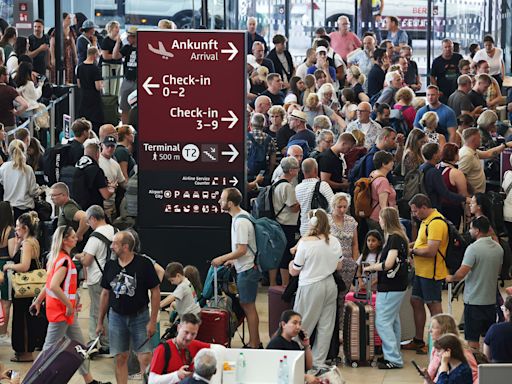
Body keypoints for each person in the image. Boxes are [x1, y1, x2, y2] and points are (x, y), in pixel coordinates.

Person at [31, 225, 109, 384]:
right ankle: (32, 379)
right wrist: (68, 305)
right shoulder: (65, 261)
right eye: (73, 237)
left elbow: (49, 284)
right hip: (61, 313)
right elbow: (53, 285)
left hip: (65, 313)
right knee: (48, 349)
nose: (76, 239)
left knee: (79, 347)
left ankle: (89, 380)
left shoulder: (56, 258)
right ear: (65, 240)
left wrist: (38, 301)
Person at [96, 231, 161, 384]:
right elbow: (105, 293)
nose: (111, 247)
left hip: (140, 316)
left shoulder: (144, 264)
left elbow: (155, 291)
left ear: (125, 247)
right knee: (120, 357)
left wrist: (152, 321)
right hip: (116, 317)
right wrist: (100, 322)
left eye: (114, 244)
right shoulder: (110, 265)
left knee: (145, 357)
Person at [289, 209, 342, 366]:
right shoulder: (334, 240)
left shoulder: (305, 243)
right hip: (330, 284)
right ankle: (318, 363)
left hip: (310, 285)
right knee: (326, 326)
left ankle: (296, 359)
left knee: (302, 324)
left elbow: (294, 271)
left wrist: (291, 264)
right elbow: (339, 266)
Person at [211, 188, 262, 349]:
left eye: (222, 199)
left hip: (247, 270)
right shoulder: (242, 217)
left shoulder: (240, 222)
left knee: (248, 306)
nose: (219, 201)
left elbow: (242, 249)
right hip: (245, 266)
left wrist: (222, 258)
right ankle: (255, 341)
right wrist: (232, 262)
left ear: (230, 203)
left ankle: (255, 343)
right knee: (247, 306)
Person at [446, 216, 503, 350]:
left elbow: (462, 272)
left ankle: (475, 364)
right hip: (490, 300)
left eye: (471, 228)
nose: (470, 231)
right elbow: (498, 270)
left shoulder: (473, 249)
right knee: (487, 337)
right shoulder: (498, 248)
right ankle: (486, 364)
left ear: (477, 230)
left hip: (474, 301)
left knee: (472, 338)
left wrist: (451, 278)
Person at [363, 207, 409, 369]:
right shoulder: (399, 237)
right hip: (397, 285)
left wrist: (371, 268)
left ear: (386, 221)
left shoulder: (394, 238)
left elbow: (389, 264)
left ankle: (394, 358)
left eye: (381, 219)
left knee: (382, 321)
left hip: (390, 286)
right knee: (393, 321)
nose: (379, 222)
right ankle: (393, 353)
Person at [405, 194, 450, 354]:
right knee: (416, 301)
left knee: (434, 306)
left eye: (416, 211)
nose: (414, 214)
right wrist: (409, 245)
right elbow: (422, 242)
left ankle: (442, 343)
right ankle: (418, 340)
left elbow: (431, 251)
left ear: (424, 207)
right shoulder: (426, 221)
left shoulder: (436, 222)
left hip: (431, 273)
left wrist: (413, 251)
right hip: (421, 272)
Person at [2, 212, 46, 362]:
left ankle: (26, 352)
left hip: (24, 288)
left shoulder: (28, 243)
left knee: (23, 320)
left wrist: (9, 266)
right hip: (25, 288)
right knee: (23, 318)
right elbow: (15, 255)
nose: (16, 230)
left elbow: (24, 265)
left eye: (18, 228)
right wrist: (18, 241)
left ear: (25, 228)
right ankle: (23, 351)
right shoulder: (30, 241)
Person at [73, 205, 116, 354]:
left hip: (97, 277)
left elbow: (87, 261)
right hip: (112, 277)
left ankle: (96, 342)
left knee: (97, 311)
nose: (88, 225)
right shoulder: (114, 231)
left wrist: (80, 256)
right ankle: (109, 341)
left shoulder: (95, 237)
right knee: (109, 310)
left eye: (88, 222)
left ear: (93, 218)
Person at [148, 313, 210, 383]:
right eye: (186, 332)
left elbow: (217, 348)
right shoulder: (162, 349)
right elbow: (151, 381)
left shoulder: (194, 344)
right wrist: (177, 375)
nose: (189, 337)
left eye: (193, 334)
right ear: (178, 328)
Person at [423, 314, 478, 383]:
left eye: (434, 327)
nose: (430, 331)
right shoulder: (436, 349)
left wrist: (443, 366)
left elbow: (475, 377)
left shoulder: (464, 353)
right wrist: (428, 378)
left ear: (444, 329)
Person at [266, 310, 318, 384]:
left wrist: (306, 346)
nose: (298, 327)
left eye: (300, 324)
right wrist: (305, 377)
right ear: (283, 325)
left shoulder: (295, 345)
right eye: (294, 323)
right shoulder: (275, 343)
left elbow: (308, 366)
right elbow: (277, 370)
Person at [270, 157, 300, 287]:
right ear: (292, 170)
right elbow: (293, 208)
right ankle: (285, 284)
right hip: (287, 224)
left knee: (276, 254)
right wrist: (300, 202)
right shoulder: (287, 187)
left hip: (276, 222)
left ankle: (272, 283)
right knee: (286, 255)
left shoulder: (276, 182)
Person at [458, 128, 509, 194]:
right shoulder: (467, 155)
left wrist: (505, 145)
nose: (481, 139)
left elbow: (488, 153)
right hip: (473, 196)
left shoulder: (472, 151)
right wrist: (472, 194)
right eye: (479, 137)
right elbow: (461, 178)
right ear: (474, 139)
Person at [295, 158, 334, 236]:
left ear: (303, 171)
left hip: (305, 228)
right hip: (321, 227)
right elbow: (333, 204)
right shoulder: (323, 185)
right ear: (316, 170)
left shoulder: (297, 188)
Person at [0, 140, 38, 221]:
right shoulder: (28, 169)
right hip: (26, 209)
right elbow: (32, 192)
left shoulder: (3, 168)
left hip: (9, 210)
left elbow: (2, 182)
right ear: (24, 151)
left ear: (9, 152)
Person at [437, 143, 469, 228]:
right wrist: (468, 213)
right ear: (454, 155)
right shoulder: (456, 173)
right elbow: (464, 195)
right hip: (452, 209)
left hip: (437, 207)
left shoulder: (435, 168)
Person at [113, 26, 137, 124]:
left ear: (135, 37)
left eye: (130, 37)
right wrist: (118, 42)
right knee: (124, 106)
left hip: (138, 79)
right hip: (128, 79)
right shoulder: (127, 48)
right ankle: (125, 127)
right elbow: (115, 56)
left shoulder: (144, 46)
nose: (127, 39)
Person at [77, 47, 104, 134]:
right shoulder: (95, 69)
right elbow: (98, 87)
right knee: (95, 123)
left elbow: (79, 84)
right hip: (94, 99)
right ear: (95, 55)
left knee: (84, 123)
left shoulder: (80, 67)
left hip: (83, 97)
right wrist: (102, 85)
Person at [98, 135, 125, 220]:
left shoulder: (115, 164)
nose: (109, 148)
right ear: (102, 145)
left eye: (112, 146)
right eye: (107, 146)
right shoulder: (97, 161)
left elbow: (122, 182)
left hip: (111, 205)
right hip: (100, 204)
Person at [368, 151, 397, 227]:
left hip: (372, 214)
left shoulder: (374, 174)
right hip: (379, 219)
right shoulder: (383, 181)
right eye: (391, 161)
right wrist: (385, 223)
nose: (393, 163)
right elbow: (383, 205)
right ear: (384, 164)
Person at [430, 39, 463, 103]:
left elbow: (463, 70)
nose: (448, 49)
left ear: (453, 48)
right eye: (445, 47)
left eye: (450, 47)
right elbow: (432, 76)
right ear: (442, 48)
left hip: (457, 90)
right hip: (443, 92)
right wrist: (437, 90)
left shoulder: (459, 58)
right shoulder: (436, 61)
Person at [0, 201, 15, 345]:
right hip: (5, 266)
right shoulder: (10, 231)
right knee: (6, 301)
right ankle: (3, 334)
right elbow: (12, 252)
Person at [50, 13, 77, 84]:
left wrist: (75, 57)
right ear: (63, 20)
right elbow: (52, 45)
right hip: (59, 54)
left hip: (69, 56)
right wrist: (52, 58)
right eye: (68, 18)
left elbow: (73, 43)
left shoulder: (71, 30)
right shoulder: (57, 30)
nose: (70, 20)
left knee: (69, 72)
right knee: (59, 73)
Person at [484, 295, 512, 363]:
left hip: (497, 371)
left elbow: (486, 357)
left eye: (503, 309)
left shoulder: (494, 329)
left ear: (507, 311)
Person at [0, 65, 28, 131]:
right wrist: (17, 112)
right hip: (9, 125)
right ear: (2, 76)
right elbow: (25, 105)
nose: (8, 76)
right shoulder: (10, 90)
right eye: (7, 74)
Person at [100, 20, 122, 97]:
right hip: (109, 66)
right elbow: (105, 56)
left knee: (117, 88)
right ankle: (108, 104)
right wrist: (115, 55)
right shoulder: (106, 40)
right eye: (116, 27)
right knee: (110, 87)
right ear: (111, 28)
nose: (118, 29)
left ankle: (115, 104)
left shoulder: (119, 41)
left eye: (118, 27)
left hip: (118, 65)